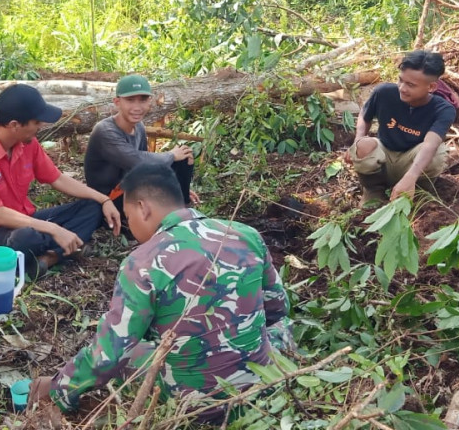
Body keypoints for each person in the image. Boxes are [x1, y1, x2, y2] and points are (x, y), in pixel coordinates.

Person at [28, 163, 292, 423]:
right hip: (261, 384)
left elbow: (108, 356)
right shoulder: (246, 234)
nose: (131, 227)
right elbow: (278, 309)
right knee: (282, 329)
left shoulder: (142, 262)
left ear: (143, 208)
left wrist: (57, 388)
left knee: (131, 352)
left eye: (129, 218)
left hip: (196, 402)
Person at [0, 83, 121, 279]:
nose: (40, 126)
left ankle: (48, 258)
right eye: (36, 122)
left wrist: (103, 199)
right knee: (27, 237)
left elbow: (57, 178)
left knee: (92, 207)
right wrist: (53, 228)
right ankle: (61, 249)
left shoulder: (27, 144)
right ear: (15, 125)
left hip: (27, 219)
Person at [344, 50, 456, 205]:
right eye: (400, 80)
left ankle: (418, 192)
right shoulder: (384, 93)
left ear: (431, 87)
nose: (402, 88)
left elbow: (431, 143)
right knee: (363, 145)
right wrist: (358, 139)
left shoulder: (443, 109)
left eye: (410, 85)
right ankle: (373, 191)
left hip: (413, 163)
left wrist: (411, 177)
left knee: (437, 152)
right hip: (384, 157)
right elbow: (365, 114)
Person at [83, 74, 197, 221]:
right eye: (130, 100)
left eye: (142, 100)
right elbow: (137, 162)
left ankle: (182, 205)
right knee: (175, 157)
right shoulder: (105, 130)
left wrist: (173, 188)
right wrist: (171, 155)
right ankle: (174, 214)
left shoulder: (139, 127)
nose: (137, 107)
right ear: (117, 102)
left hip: (131, 186)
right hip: (109, 198)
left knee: (185, 156)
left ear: (149, 102)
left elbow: (146, 169)